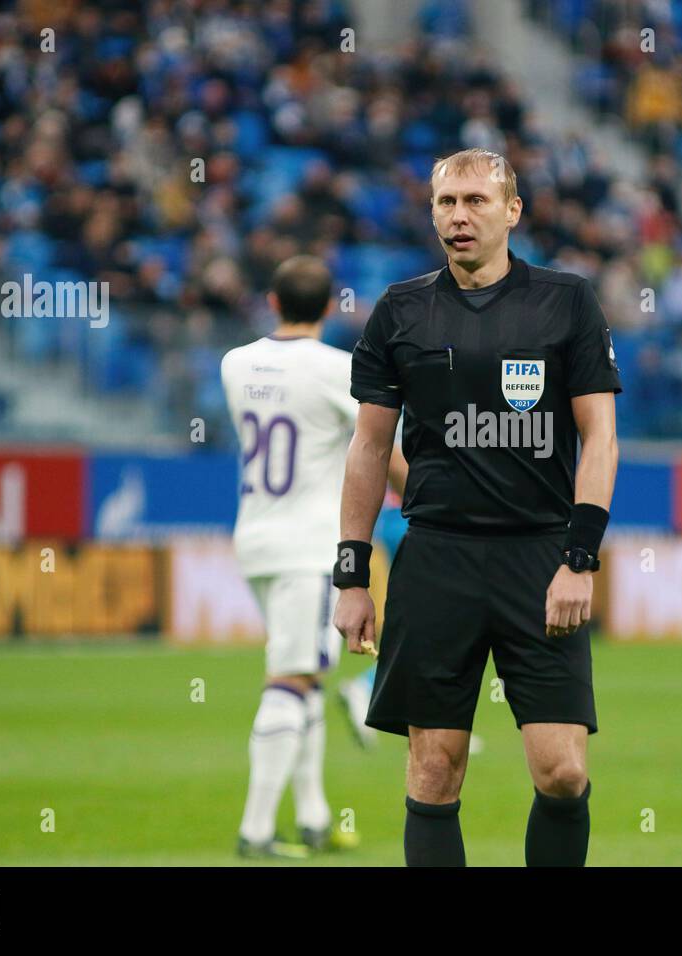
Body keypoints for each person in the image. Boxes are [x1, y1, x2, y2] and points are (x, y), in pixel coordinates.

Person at [333, 148, 621, 866]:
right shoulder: (401, 310)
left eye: (476, 201)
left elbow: (601, 438)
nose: (459, 216)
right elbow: (369, 450)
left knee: (563, 770)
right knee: (434, 771)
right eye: (445, 203)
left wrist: (580, 559)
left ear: (512, 211)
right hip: (436, 559)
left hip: (540, 557)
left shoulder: (567, 301)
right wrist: (351, 573)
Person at [221, 254, 405, 858]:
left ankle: (315, 817)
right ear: (330, 307)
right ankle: (254, 831)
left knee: (307, 674)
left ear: (271, 302)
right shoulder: (336, 368)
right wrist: (428, 493)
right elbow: (377, 447)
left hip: (255, 538)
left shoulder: (235, 363)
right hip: (310, 547)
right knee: (292, 677)